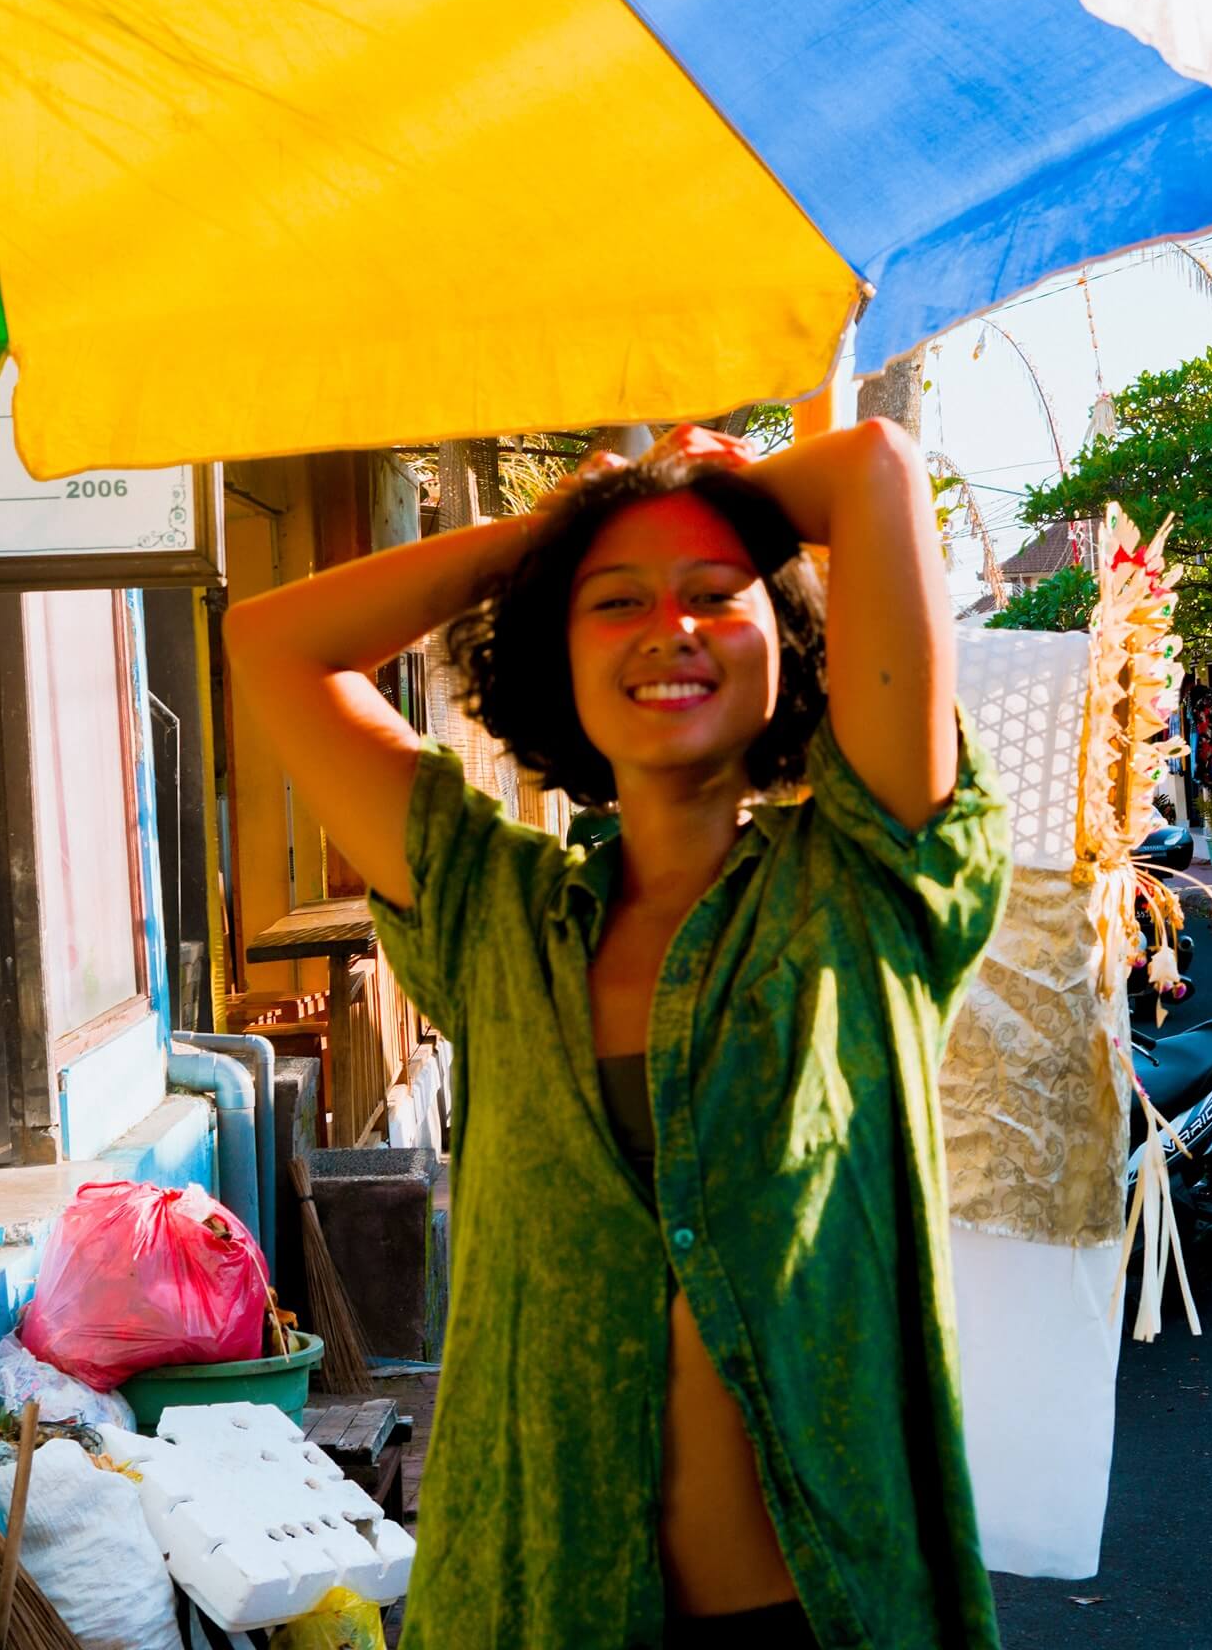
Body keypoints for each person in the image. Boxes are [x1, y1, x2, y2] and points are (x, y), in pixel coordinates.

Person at [225, 422, 1011, 1650]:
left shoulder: (868, 882)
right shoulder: (493, 914)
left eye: (716, 593)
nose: (670, 626)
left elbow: (875, 471)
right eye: (616, 600)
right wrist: (551, 538)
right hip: (536, 1611)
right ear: (557, 650)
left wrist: (667, 496)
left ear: (790, 643)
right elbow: (273, 641)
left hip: (823, 1617)